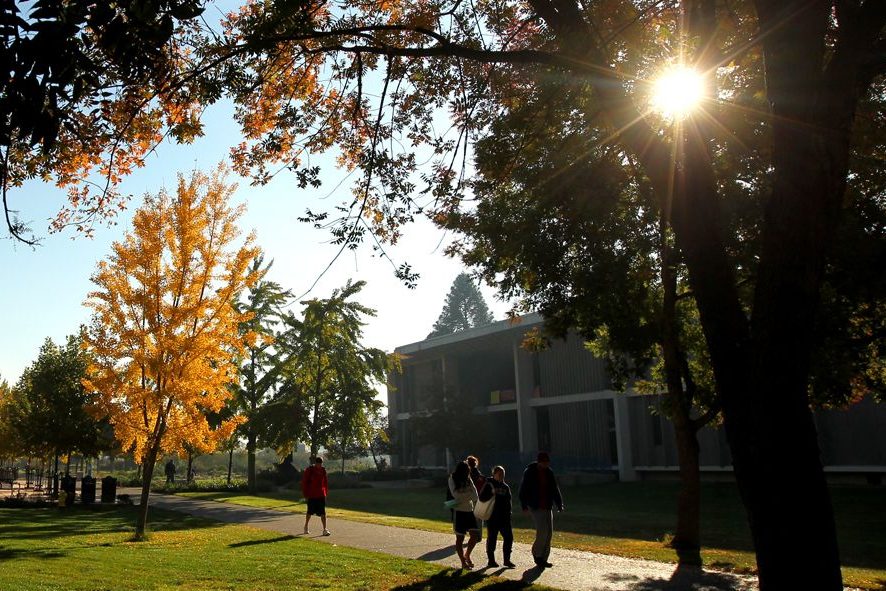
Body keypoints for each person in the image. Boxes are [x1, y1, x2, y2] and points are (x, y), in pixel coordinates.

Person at [518, 451, 564, 569]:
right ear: (539, 462)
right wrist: (524, 505)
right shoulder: (530, 472)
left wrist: (559, 503)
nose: (546, 465)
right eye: (544, 462)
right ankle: (537, 554)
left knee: (549, 533)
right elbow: (523, 489)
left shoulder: (549, 472)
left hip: (547, 505)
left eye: (547, 462)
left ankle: (544, 558)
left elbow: (554, 488)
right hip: (536, 506)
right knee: (542, 531)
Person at [448, 460, 480, 569]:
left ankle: (467, 555)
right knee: (460, 538)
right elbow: (456, 495)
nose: (468, 473)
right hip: (459, 512)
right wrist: (467, 495)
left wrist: (463, 496)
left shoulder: (468, 479)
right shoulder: (452, 479)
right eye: (467, 471)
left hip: (469, 511)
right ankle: (463, 562)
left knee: (475, 536)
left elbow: (475, 495)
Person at [484, 465, 515, 568]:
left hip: (504, 518)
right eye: (500, 474)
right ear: (494, 474)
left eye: (503, 474)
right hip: (492, 517)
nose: (502, 476)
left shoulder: (506, 487)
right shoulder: (488, 484)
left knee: (509, 538)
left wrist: (509, 513)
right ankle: (491, 560)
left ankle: (507, 560)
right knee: (492, 538)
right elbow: (482, 497)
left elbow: (509, 501)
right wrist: (491, 492)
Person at [301, 456, 330, 536]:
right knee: (310, 512)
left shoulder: (323, 470)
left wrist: (326, 492)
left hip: (321, 494)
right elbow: (304, 482)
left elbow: (325, 482)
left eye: (321, 464)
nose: (320, 465)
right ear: (316, 463)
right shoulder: (310, 470)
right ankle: (306, 526)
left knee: (323, 512)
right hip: (312, 494)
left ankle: (325, 529)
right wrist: (305, 494)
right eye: (318, 464)